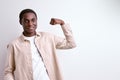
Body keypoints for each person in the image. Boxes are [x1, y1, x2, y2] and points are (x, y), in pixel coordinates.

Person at [4, 8, 76, 80]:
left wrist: (62, 23)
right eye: (26, 21)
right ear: (20, 22)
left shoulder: (48, 37)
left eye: (33, 20)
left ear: (36, 21)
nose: (30, 24)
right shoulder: (14, 45)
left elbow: (71, 44)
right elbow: (8, 71)